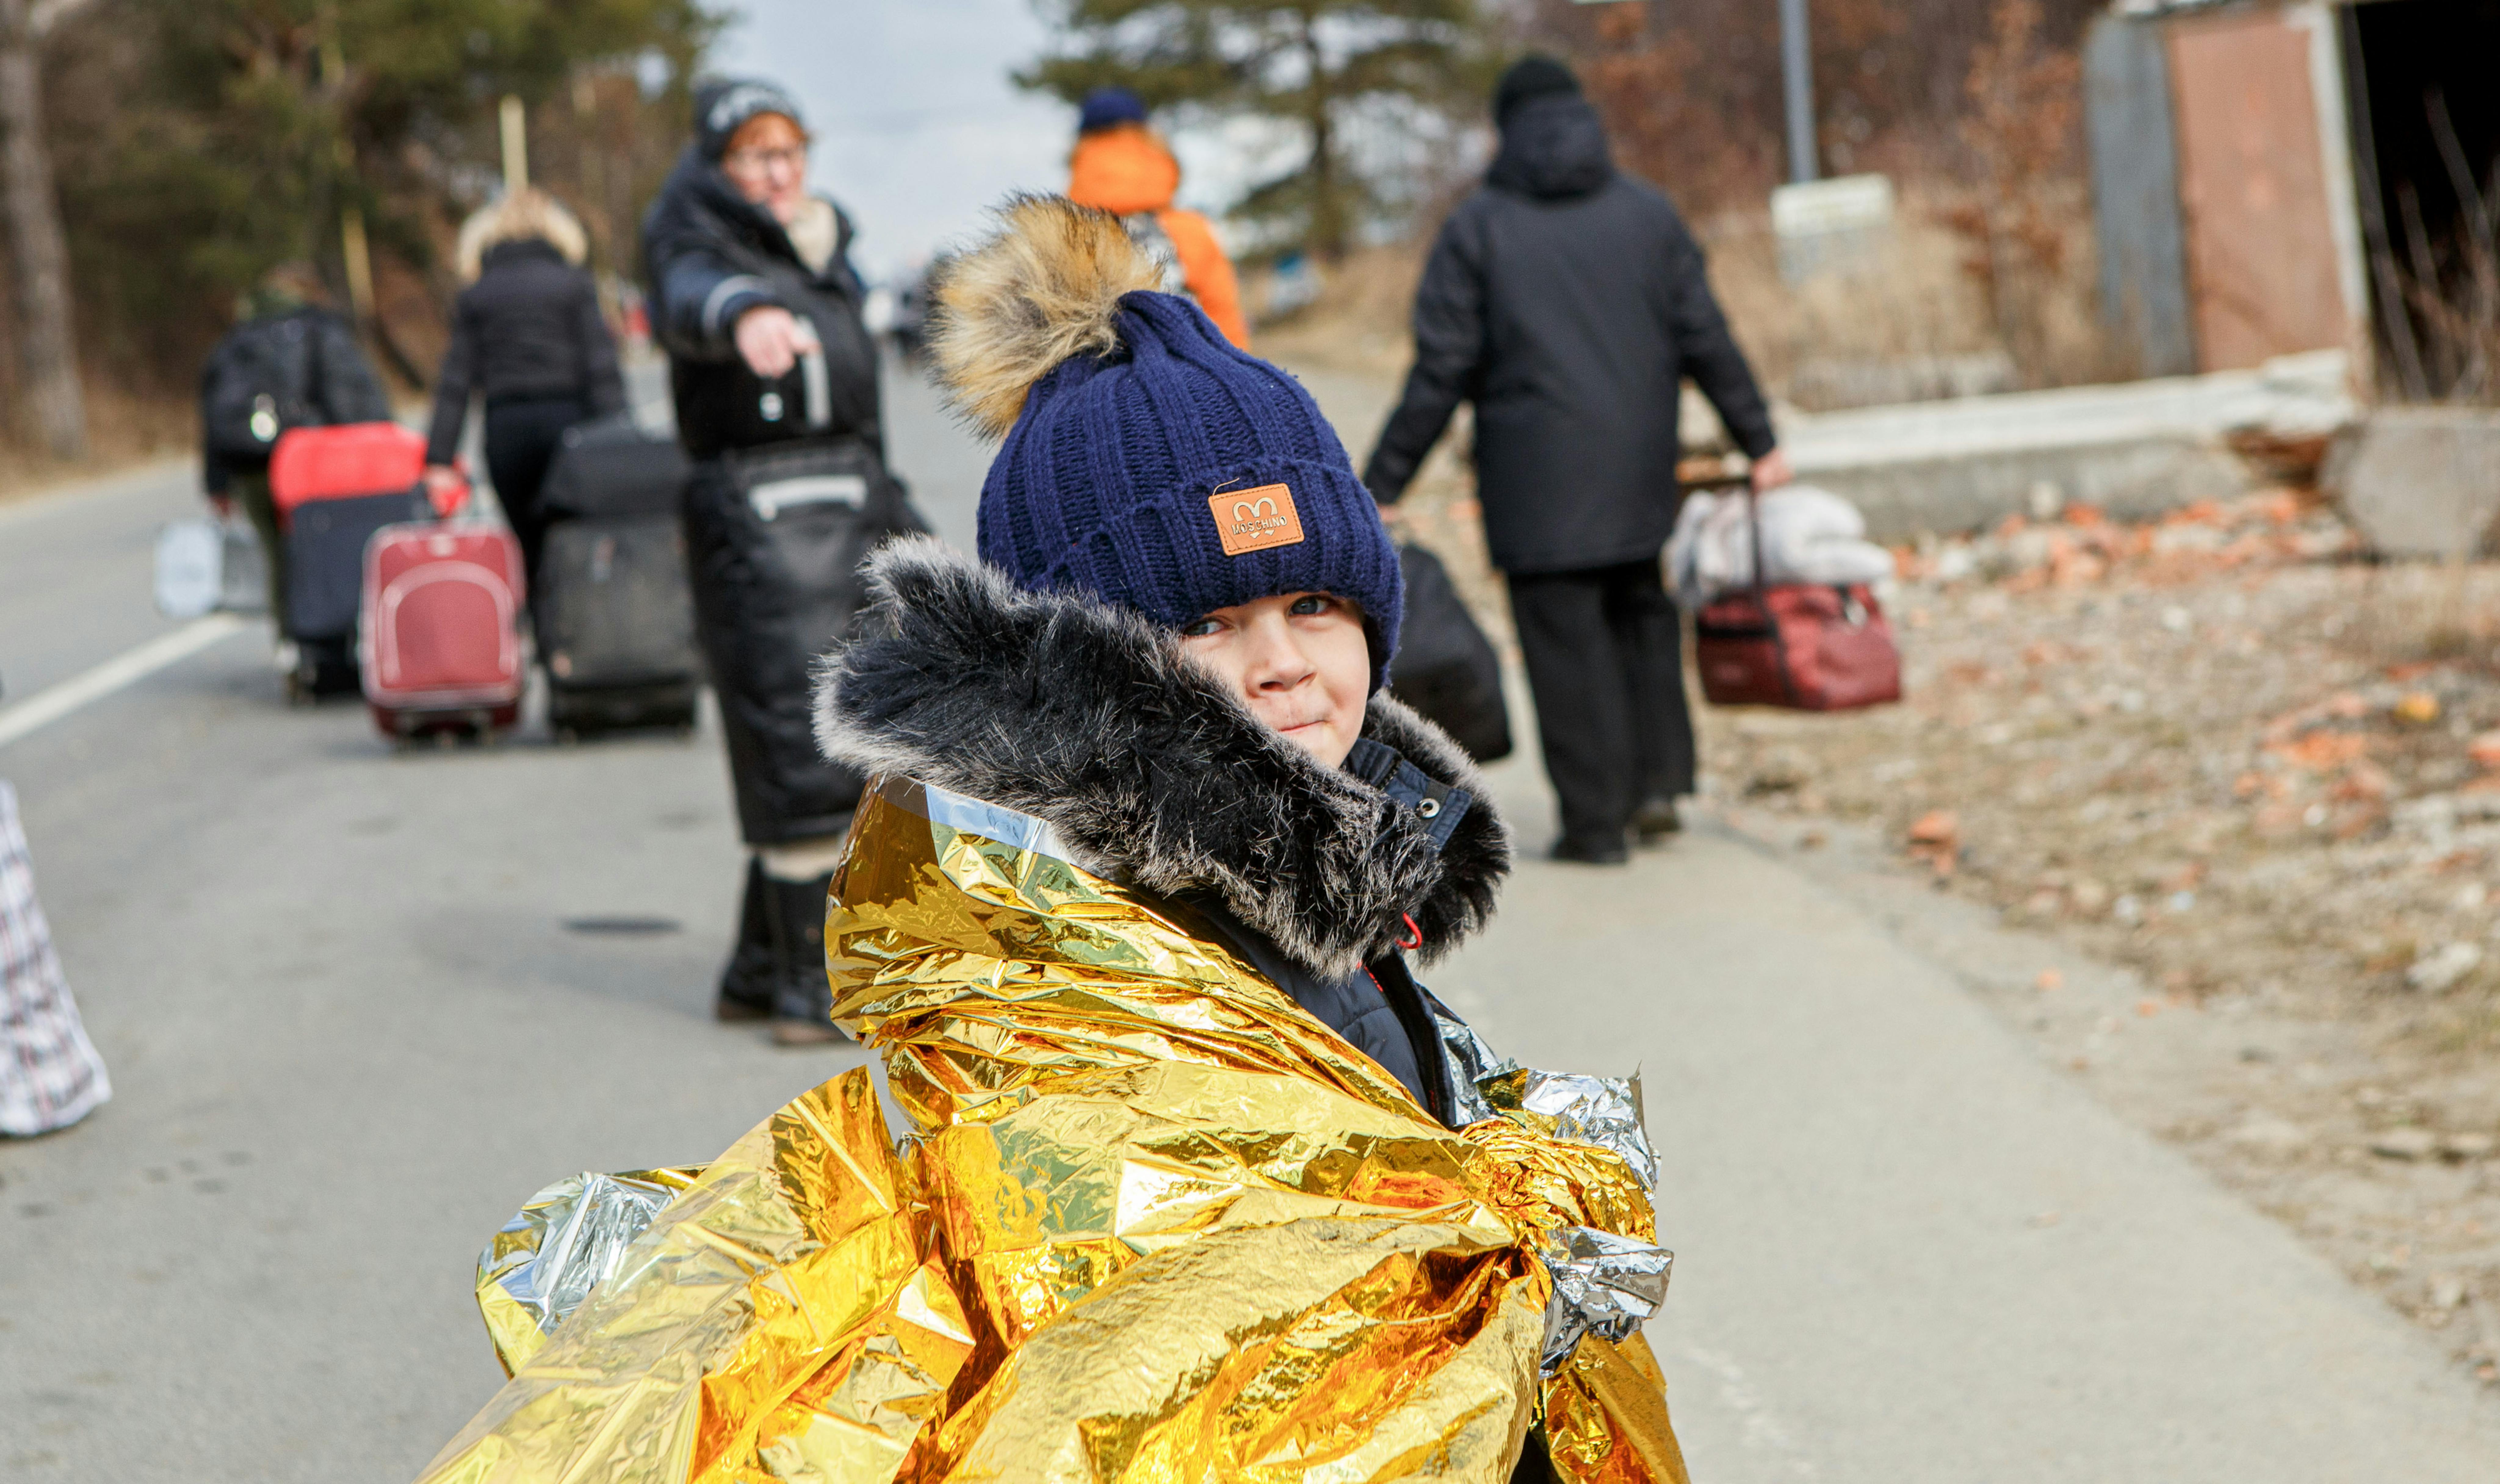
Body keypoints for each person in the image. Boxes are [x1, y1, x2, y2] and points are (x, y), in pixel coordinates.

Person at [414, 194, 1684, 1484]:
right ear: (1089, 672)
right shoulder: (1110, 956)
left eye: (1317, 603)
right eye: (1212, 624)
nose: (1286, 664)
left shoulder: (1302, 861)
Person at [1362, 56, 1790, 866]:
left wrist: (1379, 485)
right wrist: (1759, 440)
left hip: (1535, 483)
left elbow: (1440, 371)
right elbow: (1707, 336)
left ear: (1505, 127)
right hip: (1637, 470)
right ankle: (1658, 787)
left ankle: (1597, 826)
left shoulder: (1477, 228)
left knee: (1565, 647)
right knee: (1641, 620)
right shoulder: (1648, 215)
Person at [642, 77, 898, 1044]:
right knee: (794, 739)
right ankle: (806, 988)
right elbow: (688, 296)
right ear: (718, 166)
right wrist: (743, 309)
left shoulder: (827, 245)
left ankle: (757, 969)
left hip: (845, 500)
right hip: (754, 516)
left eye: (788, 152)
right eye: (754, 155)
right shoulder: (692, 238)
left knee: (846, 727)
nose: (777, 173)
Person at [421, 188, 626, 591]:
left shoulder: (476, 296)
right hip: (571, 423)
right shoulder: (573, 284)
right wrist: (619, 433)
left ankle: (545, 639)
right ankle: (573, 638)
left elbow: (456, 382)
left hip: (507, 429)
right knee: (573, 535)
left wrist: (440, 459)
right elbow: (601, 367)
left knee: (528, 543)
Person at [197, 263, 393, 650]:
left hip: (251, 464)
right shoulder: (318, 329)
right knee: (325, 549)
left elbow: (212, 413)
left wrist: (217, 483)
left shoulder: (238, 337)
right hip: (313, 463)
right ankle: (333, 640)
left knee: (277, 555)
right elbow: (349, 395)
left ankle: (290, 645)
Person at [1064, 85, 1251, 349]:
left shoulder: (1063, 236)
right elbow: (1224, 319)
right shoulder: (1190, 230)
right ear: (1150, 139)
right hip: (1189, 381)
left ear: (1081, 149)